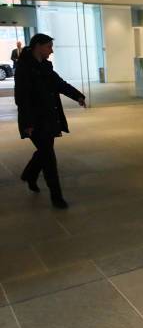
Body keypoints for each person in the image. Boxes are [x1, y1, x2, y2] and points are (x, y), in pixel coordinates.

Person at [15, 34, 87, 209]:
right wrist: (28, 124)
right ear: (38, 46)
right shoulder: (24, 68)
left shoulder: (46, 67)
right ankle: (56, 197)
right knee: (48, 157)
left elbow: (59, 84)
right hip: (34, 121)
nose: (51, 50)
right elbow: (22, 98)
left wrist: (77, 95)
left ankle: (30, 175)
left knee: (44, 151)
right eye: (49, 47)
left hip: (49, 118)